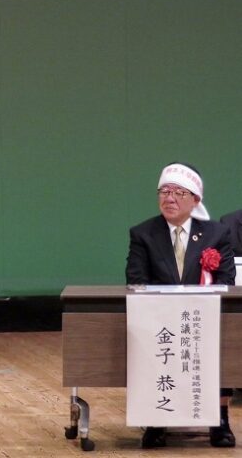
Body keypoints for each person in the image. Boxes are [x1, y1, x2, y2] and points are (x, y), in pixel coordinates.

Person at [126, 162, 236, 449]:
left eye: (178, 192)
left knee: (221, 340)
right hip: (158, 318)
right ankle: (156, 421)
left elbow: (226, 279)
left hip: (203, 317)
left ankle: (220, 419)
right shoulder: (143, 234)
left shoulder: (216, 234)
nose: (170, 198)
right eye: (164, 191)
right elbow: (136, 280)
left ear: (195, 200)